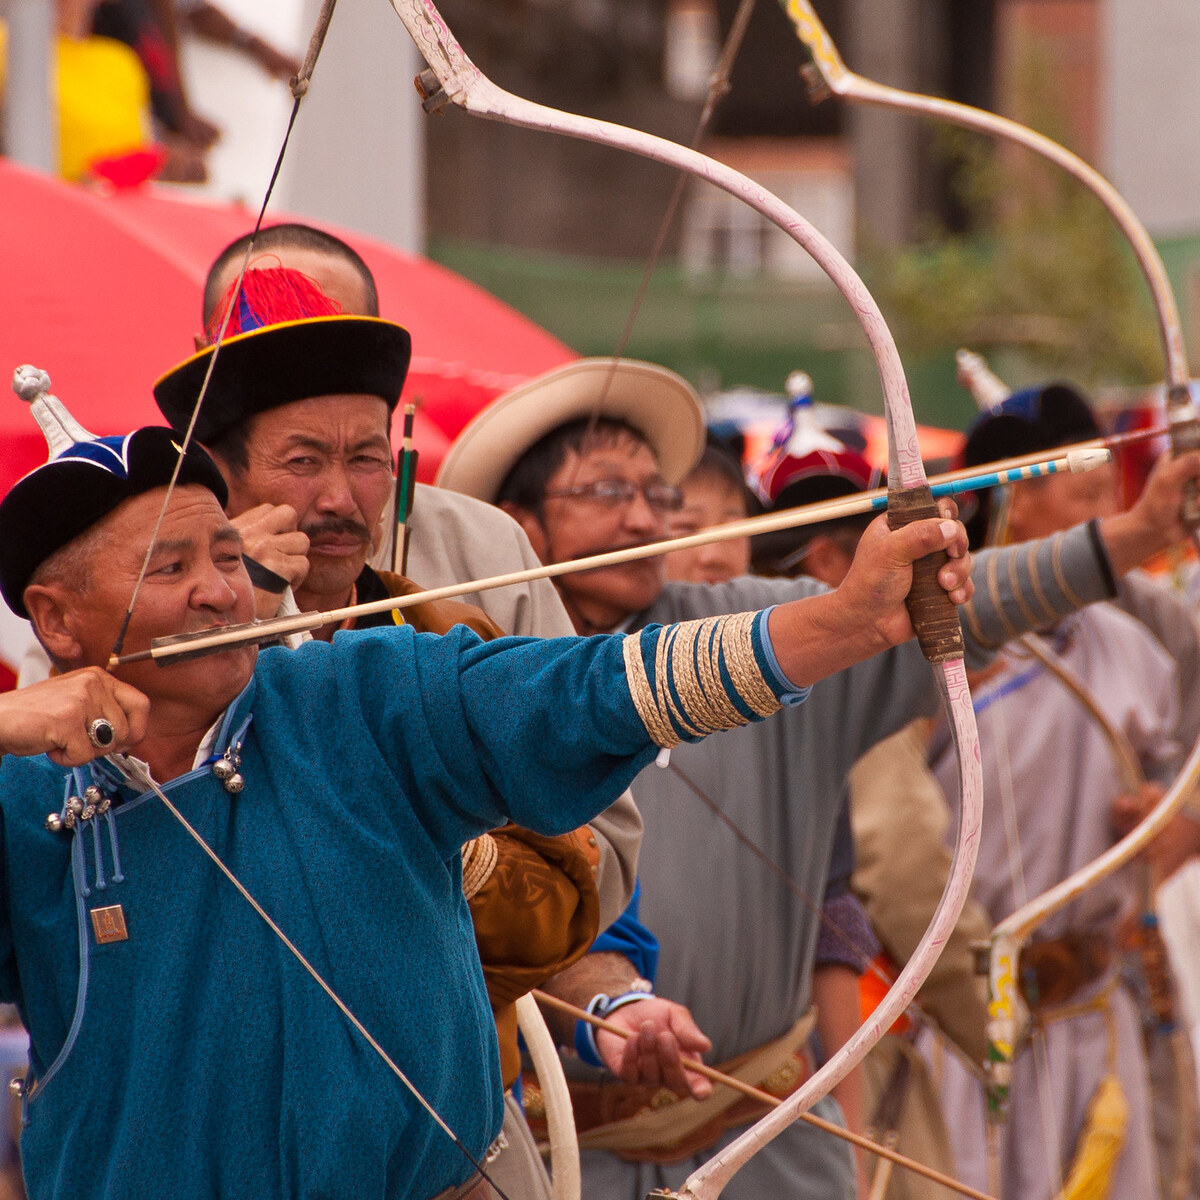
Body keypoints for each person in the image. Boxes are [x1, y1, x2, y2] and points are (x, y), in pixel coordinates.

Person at [0, 392, 974, 1199]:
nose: (219, 593)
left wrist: (845, 623)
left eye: (224, 555)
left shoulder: (360, 696)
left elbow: (594, 692)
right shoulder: (23, 791)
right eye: (171, 569)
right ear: (58, 621)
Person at [435, 355, 1200, 1200]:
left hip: (766, 1143)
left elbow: (936, 610)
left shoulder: (747, 628)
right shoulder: (468, 677)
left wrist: (1133, 536)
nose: (648, 518)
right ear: (520, 525)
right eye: (610, 493)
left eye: (661, 495)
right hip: (557, 1152)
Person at [930, 384, 1196, 1200]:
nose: (1103, 502)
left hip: (1091, 1004)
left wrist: (1171, 820)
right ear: (1004, 502)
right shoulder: (930, 649)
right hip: (963, 1016)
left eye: (1103, 477)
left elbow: (1182, 780)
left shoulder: (1129, 637)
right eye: (1073, 483)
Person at [752, 443, 991, 1200]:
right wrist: (999, 1033)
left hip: (797, 1048)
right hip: (844, 1043)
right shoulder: (845, 666)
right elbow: (906, 869)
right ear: (829, 559)